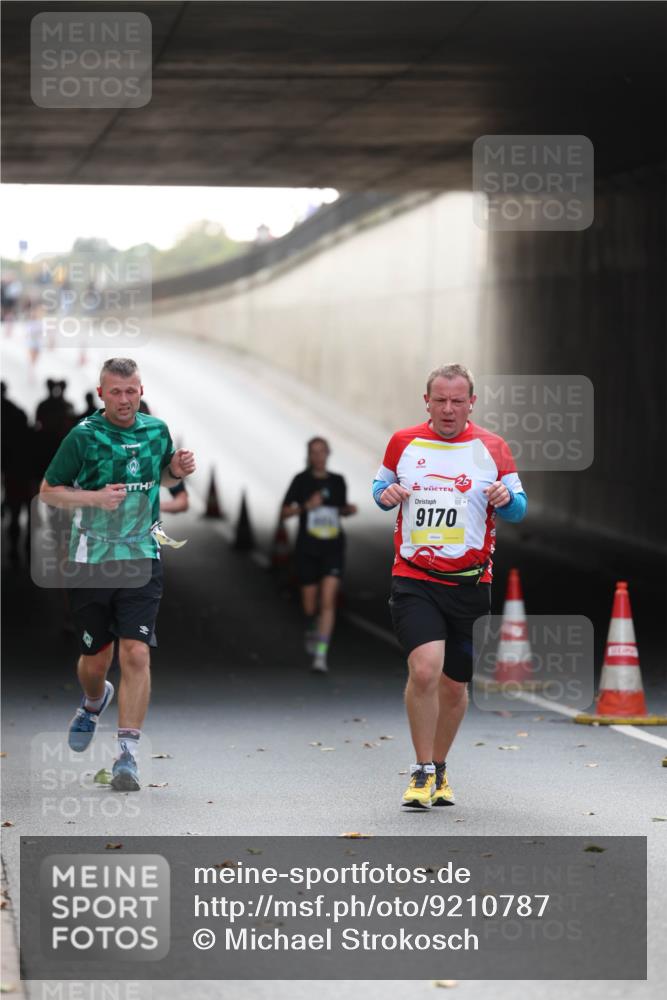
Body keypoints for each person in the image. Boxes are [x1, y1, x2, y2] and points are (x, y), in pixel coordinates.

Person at [372, 364, 527, 809]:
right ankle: (421, 770)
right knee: (425, 669)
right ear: (427, 401)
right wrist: (385, 495)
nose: (448, 409)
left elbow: (519, 507)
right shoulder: (403, 442)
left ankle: (439, 767)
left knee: (455, 685)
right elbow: (380, 487)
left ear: (471, 403)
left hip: (471, 584)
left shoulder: (492, 448)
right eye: (439, 400)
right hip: (415, 577)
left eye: (457, 401)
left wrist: (506, 500)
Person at [39, 357, 196, 791]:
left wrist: (175, 471)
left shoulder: (156, 430)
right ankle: (94, 700)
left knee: (136, 653)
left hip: (142, 553)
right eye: (116, 392)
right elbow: (49, 492)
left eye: (131, 391)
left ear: (140, 391)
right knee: (96, 660)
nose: (124, 400)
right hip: (91, 558)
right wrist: (93, 498)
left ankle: (127, 755)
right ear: (101, 394)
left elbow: (161, 479)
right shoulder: (84, 436)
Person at [281, 437, 357, 673]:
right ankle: (313, 627)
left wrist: (347, 510)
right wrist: (306, 507)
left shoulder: (337, 481)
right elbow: (284, 512)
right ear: (308, 455)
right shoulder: (301, 480)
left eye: (322, 451)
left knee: (328, 601)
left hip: (333, 547)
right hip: (307, 548)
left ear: (328, 453)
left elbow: (340, 508)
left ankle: (321, 655)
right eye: (314, 452)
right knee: (309, 605)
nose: (318, 456)